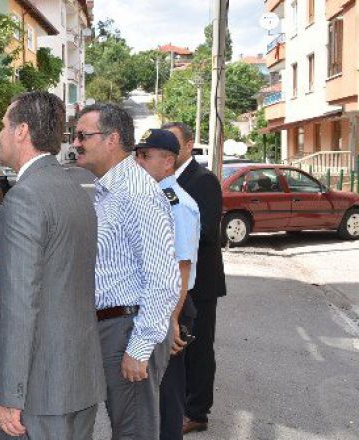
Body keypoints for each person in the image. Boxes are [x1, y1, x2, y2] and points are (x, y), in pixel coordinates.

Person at [0, 92, 106, 439]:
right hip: (79, 378)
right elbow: (56, 275)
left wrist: (10, 394)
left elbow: (22, 304)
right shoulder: (76, 188)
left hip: (41, 390)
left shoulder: (25, 197)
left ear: (21, 131)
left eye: (3, 126)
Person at [73, 103, 180, 440]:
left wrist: (139, 348)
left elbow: (164, 278)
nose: (75, 142)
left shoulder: (136, 192)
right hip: (114, 326)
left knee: (134, 431)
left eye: (82, 135)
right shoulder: (113, 189)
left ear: (112, 139)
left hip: (129, 328)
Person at [134, 129, 201, 440]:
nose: (138, 161)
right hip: (154, 306)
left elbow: (181, 268)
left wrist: (172, 320)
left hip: (171, 307)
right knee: (148, 398)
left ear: (168, 162)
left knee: (167, 398)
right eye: (137, 154)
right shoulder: (149, 198)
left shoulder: (177, 204)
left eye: (146, 156)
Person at [161, 122, 226, 434]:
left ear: (188, 145)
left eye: (174, 143)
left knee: (198, 348)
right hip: (175, 279)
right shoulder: (167, 178)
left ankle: (197, 412)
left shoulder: (203, 180)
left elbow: (208, 231)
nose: (168, 150)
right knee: (178, 347)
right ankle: (183, 404)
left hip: (200, 281)